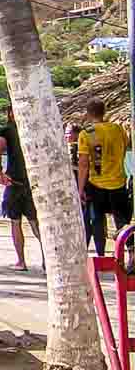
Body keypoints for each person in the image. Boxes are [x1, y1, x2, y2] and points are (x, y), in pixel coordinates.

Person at [78, 99, 132, 259]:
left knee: (97, 221)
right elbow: (123, 150)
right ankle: (130, 255)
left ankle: (101, 256)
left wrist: (80, 189)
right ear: (104, 111)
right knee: (122, 222)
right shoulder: (119, 129)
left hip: (96, 184)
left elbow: (83, 164)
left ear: (88, 113)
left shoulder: (86, 133)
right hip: (118, 182)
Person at [0, 107, 43, 272]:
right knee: (35, 222)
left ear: (9, 114)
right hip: (32, 182)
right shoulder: (33, 129)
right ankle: (47, 260)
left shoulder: (7, 130)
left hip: (15, 183)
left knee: (16, 222)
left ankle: (21, 262)